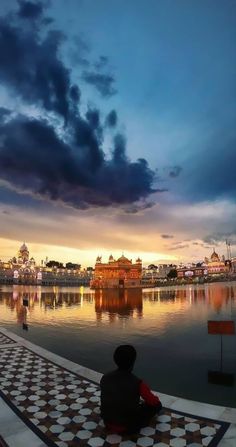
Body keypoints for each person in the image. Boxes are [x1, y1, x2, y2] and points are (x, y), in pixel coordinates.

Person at [100, 344, 162, 434]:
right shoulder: (137, 383)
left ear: (115, 360)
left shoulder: (105, 377)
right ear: (133, 361)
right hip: (127, 426)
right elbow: (154, 402)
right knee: (156, 406)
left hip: (107, 422)